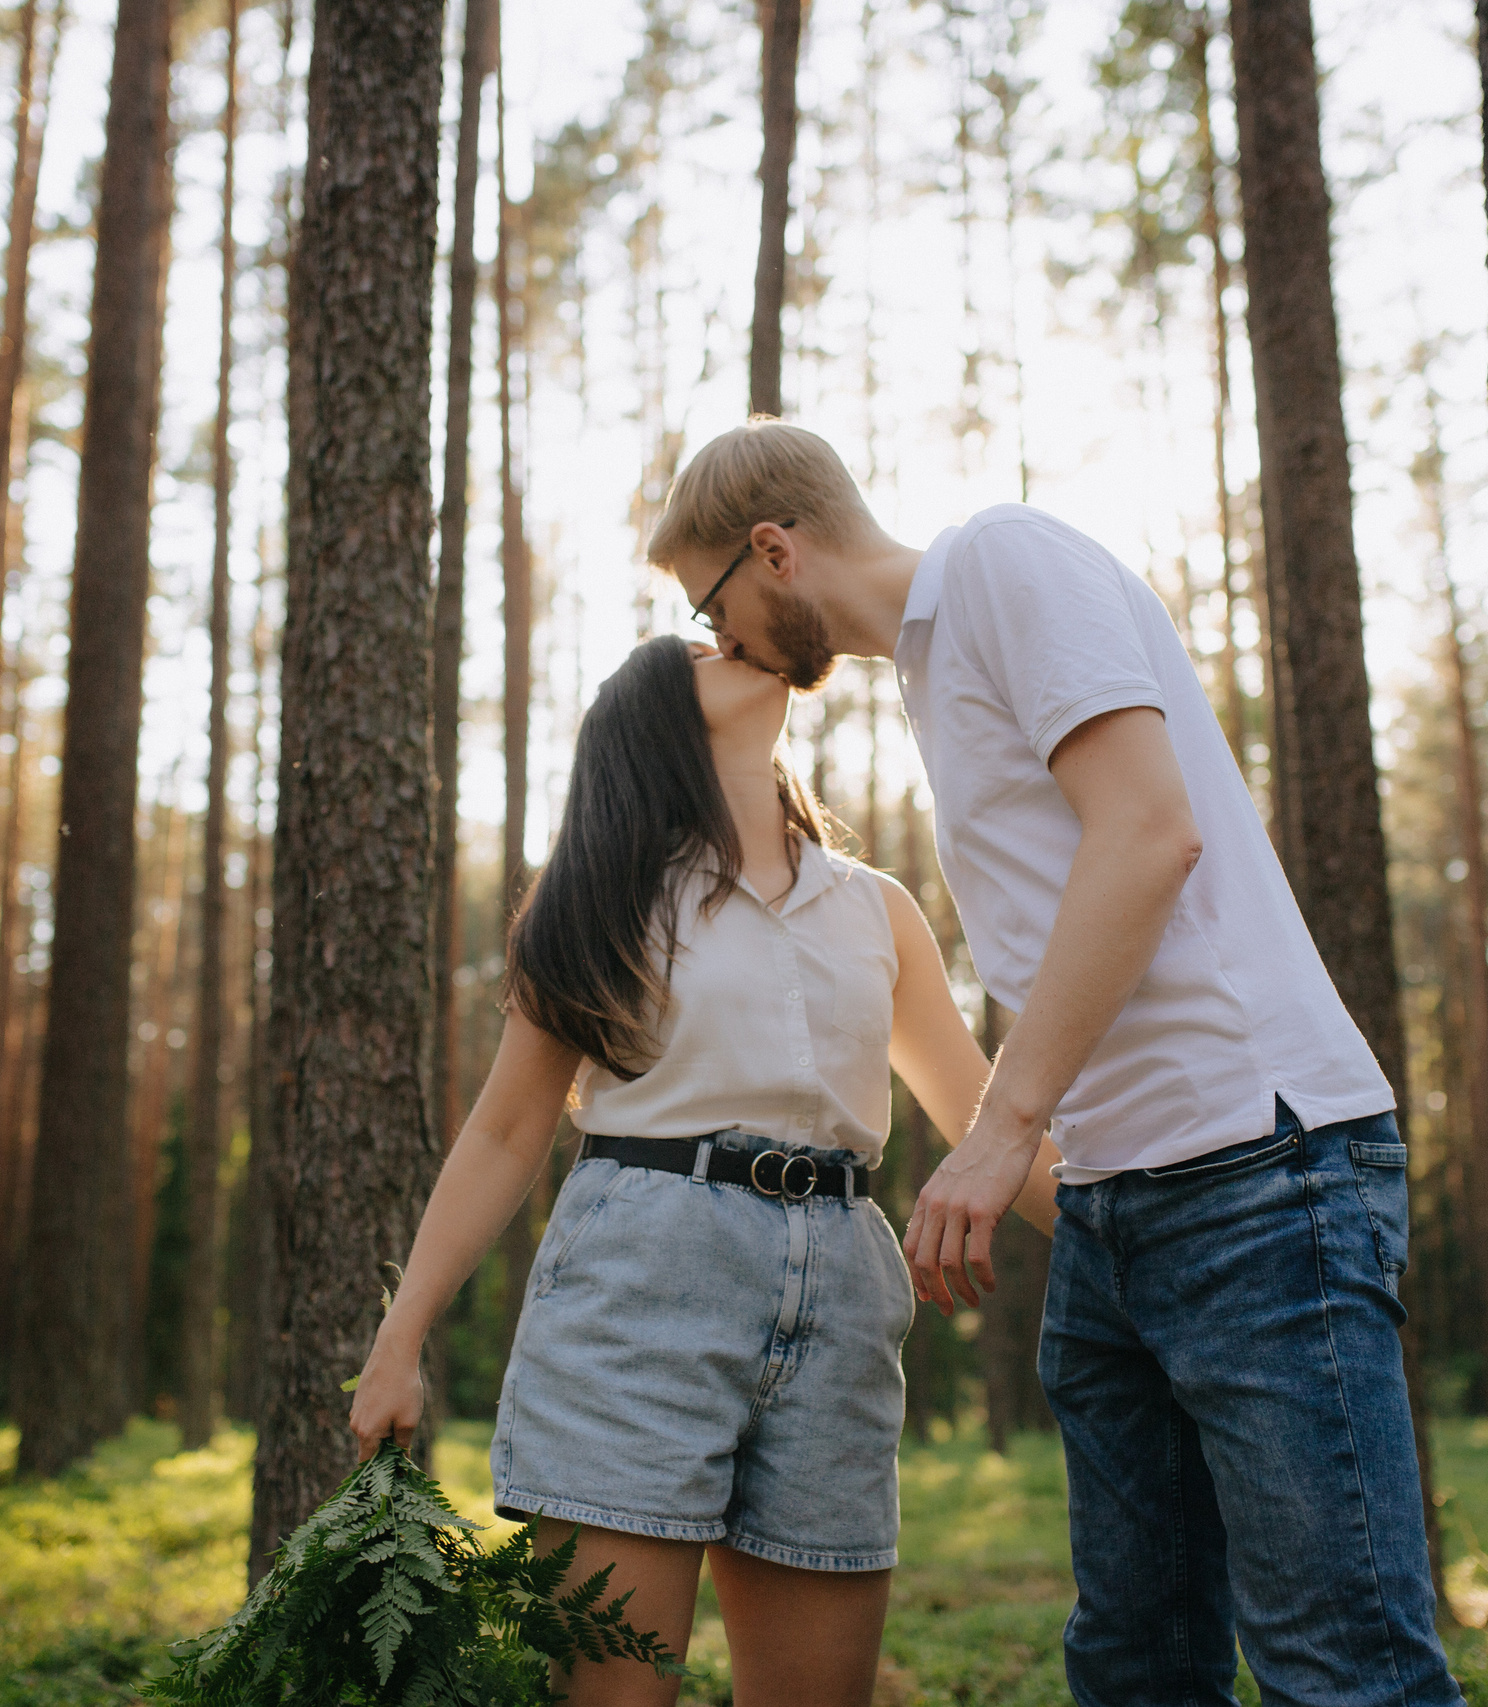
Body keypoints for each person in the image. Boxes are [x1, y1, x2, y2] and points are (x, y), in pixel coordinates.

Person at [646, 421, 1464, 1707]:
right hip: (1116, 1205)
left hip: (1261, 1171)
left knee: (1341, 1671)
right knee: (1134, 1667)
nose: (724, 644)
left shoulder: (1000, 564)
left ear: (774, 551)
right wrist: (1055, 1173)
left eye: (715, 606)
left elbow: (1148, 835)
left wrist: (996, 1131)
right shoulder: (929, 665)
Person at [346, 634, 1059, 1707]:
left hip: (842, 1301)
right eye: (704, 650)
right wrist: (400, 1340)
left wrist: (1148, 1246)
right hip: (638, 1288)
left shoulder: (877, 910)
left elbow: (983, 1115)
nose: (740, 645)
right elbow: (503, 1132)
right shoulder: (591, 898)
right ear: (657, 717)